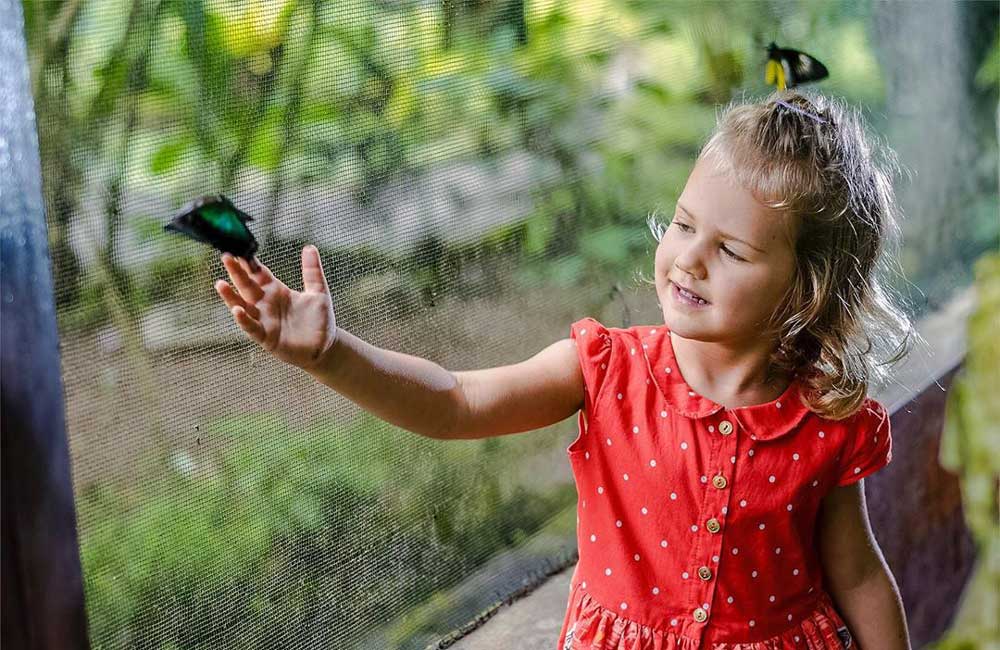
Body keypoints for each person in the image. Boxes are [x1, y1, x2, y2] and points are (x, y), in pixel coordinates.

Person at [213, 89, 915, 650]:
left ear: (809, 288)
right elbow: (454, 403)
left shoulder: (824, 423)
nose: (689, 258)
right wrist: (333, 354)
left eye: (730, 250)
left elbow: (856, 574)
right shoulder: (607, 369)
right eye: (682, 224)